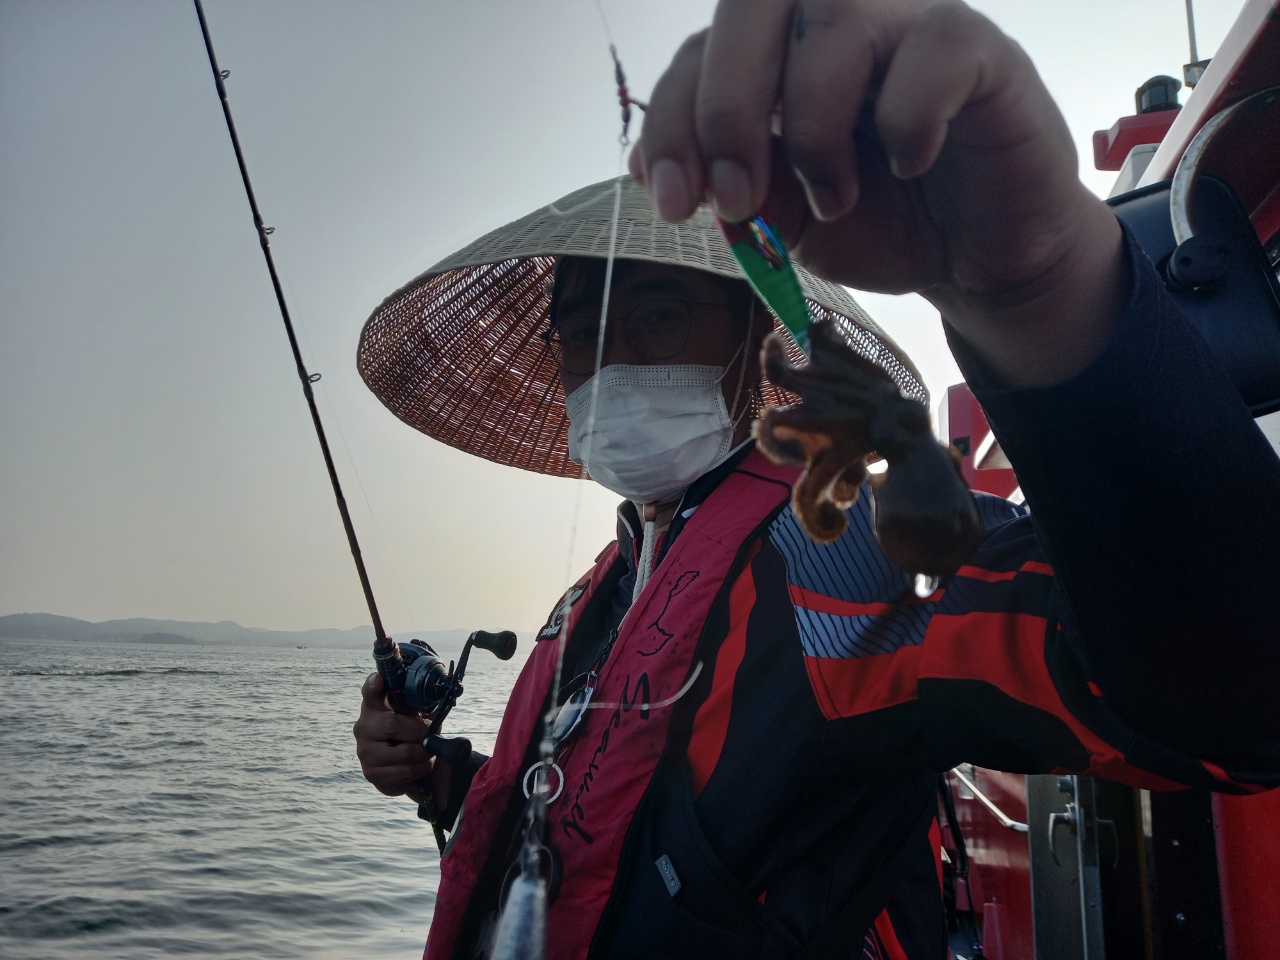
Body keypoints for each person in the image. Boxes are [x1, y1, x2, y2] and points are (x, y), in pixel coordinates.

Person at [353, 2, 1280, 958]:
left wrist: (1040, 284)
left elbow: (1229, 699)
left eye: (658, 315)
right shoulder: (605, 585)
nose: (613, 362)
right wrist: (439, 774)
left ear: (757, 342)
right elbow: (597, 822)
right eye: (583, 336)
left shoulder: (841, 546)